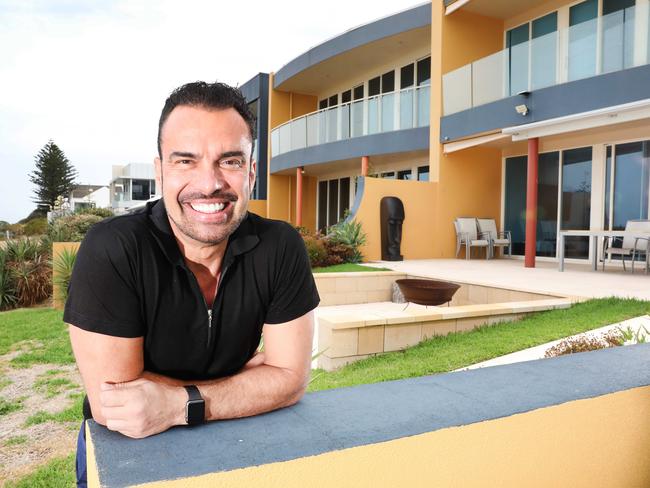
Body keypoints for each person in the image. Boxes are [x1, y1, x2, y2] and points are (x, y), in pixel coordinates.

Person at [65, 81, 320, 487]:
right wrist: (246, 385)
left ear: (251, 172)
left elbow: (290, 379)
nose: (209, 184)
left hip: (240, 441)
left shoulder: (280, 246)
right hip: (129, 453)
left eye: (230, 161)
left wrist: (176, 402)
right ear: (160, 171)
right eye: (186, 161)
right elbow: (118, 405)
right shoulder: (114, 248)